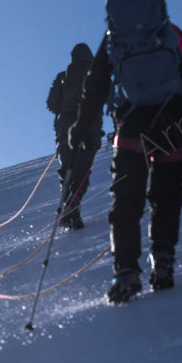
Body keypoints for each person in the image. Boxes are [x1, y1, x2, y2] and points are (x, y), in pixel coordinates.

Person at [70, 0, 182, 303]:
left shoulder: (115, 40)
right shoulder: (171, 34)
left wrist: (80, 127)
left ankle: (126, 274)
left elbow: (94, 87)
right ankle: (162, 262)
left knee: (126, 200)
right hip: (172, 123)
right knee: (166, 196)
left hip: (132, 125)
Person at [46, 43, 103, 230]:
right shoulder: (96, 76)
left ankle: (69, 207)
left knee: (67, 167)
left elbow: (52, 104)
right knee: (83, 166)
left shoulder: (63, 77)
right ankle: (73, 204)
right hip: (89, 124)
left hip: (65, 125)